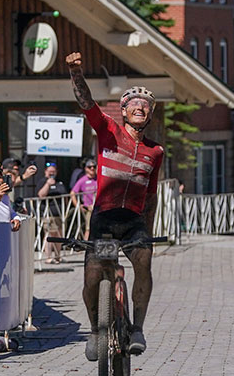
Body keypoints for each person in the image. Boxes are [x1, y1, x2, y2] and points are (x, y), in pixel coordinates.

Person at [67, 50, 163, 359]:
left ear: (150, 115)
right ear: (123, 112)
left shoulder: (155, 151)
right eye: (133, 104)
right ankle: (96, 330)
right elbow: (86, 102)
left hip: (133, 222)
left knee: (144, 263)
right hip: (105, 220)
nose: (140, 108)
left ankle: (137, 328)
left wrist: (148, 233)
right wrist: (76, 73)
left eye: (145, 106)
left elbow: (151, 197)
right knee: (93, 275)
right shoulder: (108, 131)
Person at [37, 162, 69, 263]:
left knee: (58, 234)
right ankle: (48, 257)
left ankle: (58, 256)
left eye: (53, 171)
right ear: (45, 172)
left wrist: (66, 209)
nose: (52, 173)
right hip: (48, 213)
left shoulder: (59, 182)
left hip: (59, 213)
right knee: (49, 234)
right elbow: (41, 195)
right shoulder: (42, 181)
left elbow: (65, 196)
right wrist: (48, 184)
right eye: (50, 171)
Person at [70, 158, 98, 238]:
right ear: (86, 168)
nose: (92, 168)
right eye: (90, 167)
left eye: (94, 166)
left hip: (98, 207)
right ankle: (87, 246)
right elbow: (72, 193)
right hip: (89, 208)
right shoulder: (82, 180)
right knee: (88, 228)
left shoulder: (98, 179)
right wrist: (77, 206)